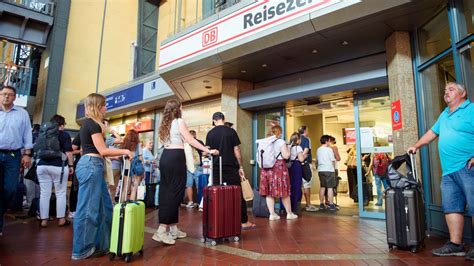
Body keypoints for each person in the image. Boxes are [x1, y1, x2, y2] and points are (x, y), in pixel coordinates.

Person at [408, 82, 474, 259]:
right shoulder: (445, 114)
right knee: (452, 207)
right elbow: (431, 133)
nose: (446, 92)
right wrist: (416, 146)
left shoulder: (471, 110)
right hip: (448, 171)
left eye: (451, 89)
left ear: (463, 93)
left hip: (468, 167)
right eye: (445, 90)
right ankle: (456, 244)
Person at [72, 93, 132, 260]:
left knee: (106, 209)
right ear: (97, 107)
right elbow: (103, 150)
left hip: (93, 165)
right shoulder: (91, 124)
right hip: (91, 166)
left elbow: (97, 150)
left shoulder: (92, 124)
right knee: (88, 210)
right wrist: (125, 151)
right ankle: (81, 249)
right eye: (104, 105)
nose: (106, 108)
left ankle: (104, 245)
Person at [153, 99, 217, 245]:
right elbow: (190, 139)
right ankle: (161, 230)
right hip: (176, 158)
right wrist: (208, 150)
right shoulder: (179, 121)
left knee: (167, 192)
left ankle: (173, 229)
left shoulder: (165, 124)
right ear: (178, 108)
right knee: (175, 193)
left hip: (166, 158)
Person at [206, 112, 256, 228]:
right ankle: (243, 222)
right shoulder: (231, 131)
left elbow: (207, 151)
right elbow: (237, 149)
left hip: (216, 168)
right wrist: (241, 166)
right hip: (231, 167)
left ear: (214, 120)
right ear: (224, 119)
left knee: (218, 194)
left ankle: (219, 221)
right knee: (238, 194)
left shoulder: (210, 133)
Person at [0, 85, 33, 236]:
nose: (6, 97)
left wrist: (27, 154)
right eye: (4, 94)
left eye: (10, 94)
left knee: (10, 189)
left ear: (14, 97)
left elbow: (27, 134)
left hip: (13, 156)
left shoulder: (22, 113)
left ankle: (1, 211)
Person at [36, 114, 74, 227]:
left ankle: (44, 220)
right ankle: (61, 219)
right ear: (61, 125)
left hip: (42, 166)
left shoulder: (43, 133)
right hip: (59, 166)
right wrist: (71, 165)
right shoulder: (64, 135)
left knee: (44, 193)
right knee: (61, 193)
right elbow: (68, 152)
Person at [120, 129, 142, 201]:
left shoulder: (124, 144)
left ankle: (122, 206)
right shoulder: (138, 145)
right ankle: (132, 206)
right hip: (136, 167)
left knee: (125, 188)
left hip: (126, 167)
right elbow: (140, 158)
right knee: (134, 188)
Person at [298, 125, 317, 211]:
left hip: (296, 164)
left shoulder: (296, 139)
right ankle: (308, 204)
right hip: (305, 164)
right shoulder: (306, 139)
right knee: (307, 184)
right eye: (307, 130)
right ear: (305, 131)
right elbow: (306, 151)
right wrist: (302, 157)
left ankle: (297, 204)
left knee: (298, 184)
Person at [316, 135, 337, 211]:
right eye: (328, 141)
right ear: (326, 141)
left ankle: (321, 204)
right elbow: (332, 160)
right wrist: (334, 169)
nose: (329, 142)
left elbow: (317, 160)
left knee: (322, 187)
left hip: (321, 170)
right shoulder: (329, 149)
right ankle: (331, 204)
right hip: (329, 170)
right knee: (330, 188)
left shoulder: (318, 149)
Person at [287, 132, 305, 215]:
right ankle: (296, 207)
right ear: (297, 140)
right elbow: (301, 159)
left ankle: (286, 207)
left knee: (289, 186)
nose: (300, 140)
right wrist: (304, 156)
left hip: (289, 167)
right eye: (300, 138)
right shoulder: (298, 147)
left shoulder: (288, 147)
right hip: (296, 167)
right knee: (297, 186)